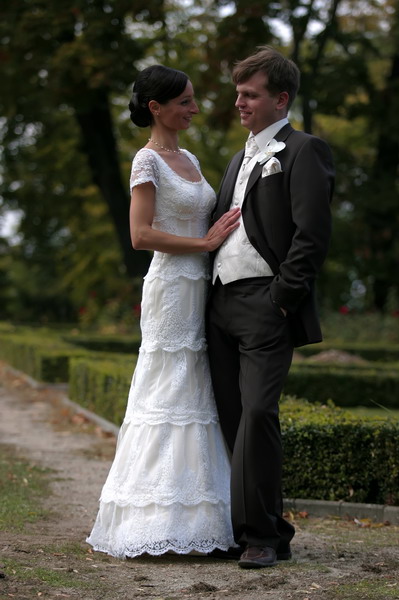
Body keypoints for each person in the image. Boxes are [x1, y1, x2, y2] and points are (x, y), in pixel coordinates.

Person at [86, 64, 240, 558]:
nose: (194, 108)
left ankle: (203, 518)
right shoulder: (145, 161)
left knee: (200, 388)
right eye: (185, 102)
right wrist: (204, 243)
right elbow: (140, 234)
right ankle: (153, 520)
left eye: (192, 99)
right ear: (156, 108)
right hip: (172, 287)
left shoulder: (190, 157)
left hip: (204, 286)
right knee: (170, 387)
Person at [206, 47, 335, 569]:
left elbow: (312, 234)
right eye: (238, 93)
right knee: (234, 418)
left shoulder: (305, 150)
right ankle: (271, 530)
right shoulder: (237, 158)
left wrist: (282, 297)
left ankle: (258, 537)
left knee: (259, 412)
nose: (239, 102)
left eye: (250, 95)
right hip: (219, 303)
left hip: (267, 303)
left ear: (280, 99)